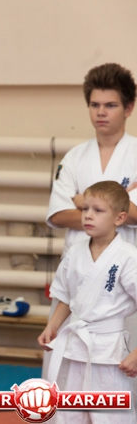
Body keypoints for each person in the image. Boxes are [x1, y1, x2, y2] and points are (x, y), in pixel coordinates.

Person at [45, 63, 137, 384]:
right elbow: (58, 215)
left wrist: (83, 199)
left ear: (128, 108)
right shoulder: (74, 158)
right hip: (79, 272)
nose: (101, 112)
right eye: (94, 104)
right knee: (65, 384)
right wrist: (117, 204)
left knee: (122, 380)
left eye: (110, 105)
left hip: (123, 280)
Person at [39, 181, 137, 423]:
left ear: (120, 218)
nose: (88, 216)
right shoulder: (74, 252)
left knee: (110, 416)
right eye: (85, 209)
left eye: (98, 210)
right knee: (69, 414)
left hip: (110, 352)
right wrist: (52, 326)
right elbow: (67, 296)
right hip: (75, 348)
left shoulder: (128, 257)